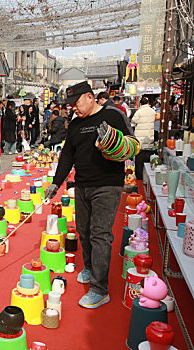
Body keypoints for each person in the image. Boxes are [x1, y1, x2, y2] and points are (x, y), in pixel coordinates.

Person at [45, 81, 133, 309]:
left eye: (76, 103)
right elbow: (67, 156)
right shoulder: (75, 125)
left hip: (107, 184)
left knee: (100, 234)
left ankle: (100, 289)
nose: (72, 107)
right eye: (69, 104)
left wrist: (113, 142)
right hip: (82, 185)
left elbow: (132, 144)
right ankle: (90, 267)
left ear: (90, 97)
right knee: (83, 231)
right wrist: (56, 183)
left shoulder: (112, 116)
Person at [132, 97, 156, 179]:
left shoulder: (139, 112)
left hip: (140, 140)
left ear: (141, 104)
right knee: (147, 162)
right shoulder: (152, 111)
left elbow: (133, 121)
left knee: (139, 162)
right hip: (149, 138)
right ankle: (147, 178)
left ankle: (139, 178)